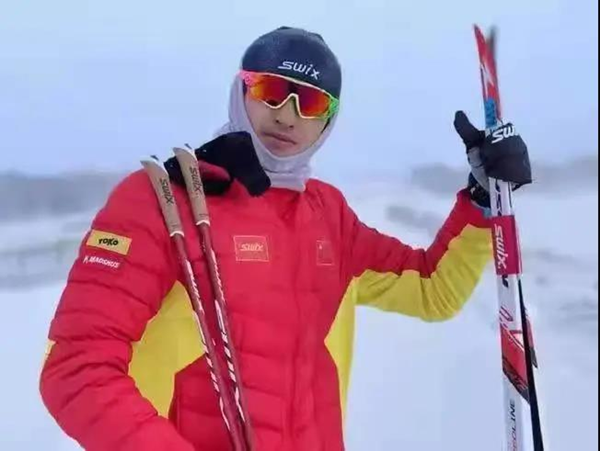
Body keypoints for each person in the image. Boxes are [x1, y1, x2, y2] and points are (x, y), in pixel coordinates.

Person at [40, 26, 532, 451]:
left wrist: (480, 201)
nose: (288, 114)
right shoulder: (162, 201)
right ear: (241, 91)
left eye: (311, 102)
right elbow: (76, 368)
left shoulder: (329, 217)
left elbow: (432, 289)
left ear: (328, 120)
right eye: (271, 91)